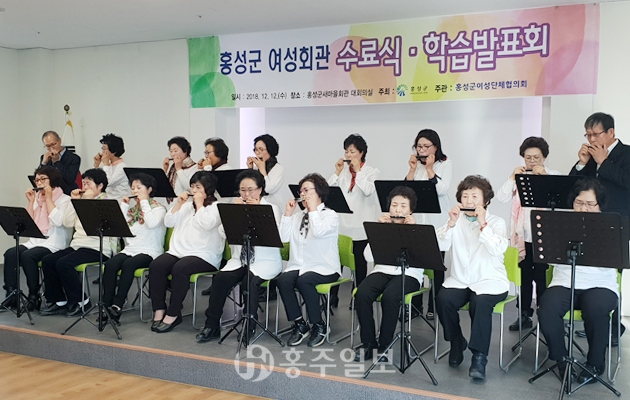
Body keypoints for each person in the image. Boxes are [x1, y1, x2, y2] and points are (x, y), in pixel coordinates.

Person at [538, 178, 619, 383]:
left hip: (600, 284)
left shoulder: (610, 227)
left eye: (590, 204)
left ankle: (595, 364)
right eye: (579, 203)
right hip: (564, 282)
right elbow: (548, 256)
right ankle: (561, 360)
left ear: (600, 205)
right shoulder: (560, 224)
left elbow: (617, 260)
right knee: (547, 308)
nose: (583, 208)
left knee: (597, 309)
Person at [435, 175, 509, 380]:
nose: (469, 200)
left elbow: (497, 249)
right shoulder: (455, 221)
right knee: (443, 299)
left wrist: (483, 224)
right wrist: (450, 223)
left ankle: (479, 356)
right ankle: (456, 341)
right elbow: (440, 246)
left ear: (486, 200)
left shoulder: (497, 222)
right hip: (460, 280)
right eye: (465, 196)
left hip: (490, 280)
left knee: (480, 302)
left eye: (475, 196)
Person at [196, 170, 282, 343]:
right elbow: (223, 233)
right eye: (243, 190)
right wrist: (233, 214)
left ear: (260, 190)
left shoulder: (271, 209)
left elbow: (275, 236)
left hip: (265, 262)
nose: (246, 194)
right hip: (240, 260)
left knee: (249, 281)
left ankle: (249, 326)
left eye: (251, 190)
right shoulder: (235, 206)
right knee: (220, 279)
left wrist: (256, 211)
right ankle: (212, 325)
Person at [569, 112, 630, 345]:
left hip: (616, 225)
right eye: (588, 134)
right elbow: (573, 187)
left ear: (611, 132)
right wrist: (582, 163)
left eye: (596, 134)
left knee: (611, 276)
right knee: (590, 273)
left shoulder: (626, 153)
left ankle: (614, 327)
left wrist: (604, 162)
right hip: (588, 224)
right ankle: (595, 322)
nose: (592, 139)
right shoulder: (591, 156)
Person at [496, 137, 560, 331]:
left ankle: (545, 315)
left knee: (542, 277)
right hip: (523, 237)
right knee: (524, 277)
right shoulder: (519, 177)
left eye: (536, 157)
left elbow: (561, 202)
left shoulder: (553, 175)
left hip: (544, 237)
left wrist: (545, 178)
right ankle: (523, 314)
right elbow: (501, 197)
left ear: (544, 157)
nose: (532, 161)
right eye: (528, 157)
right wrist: (511, 177)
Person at [149, 171, 225, 333]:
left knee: (180, 269)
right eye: (192, 187)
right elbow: (168, 222)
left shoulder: (216, 207)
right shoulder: (185, 206)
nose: (194, 190)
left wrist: (199, 205)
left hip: (204, 255)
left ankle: (173, 313)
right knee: (156, 265)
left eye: (198, 187)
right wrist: (178, 204)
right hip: (178, 251)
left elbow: (207, 224)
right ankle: (159, 309)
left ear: (208, 189)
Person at [354, 186, 423, 362]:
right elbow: (368, 257)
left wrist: (413, 232)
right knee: (362, 293)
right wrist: (378, 231)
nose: (397, 210)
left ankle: (385, 346)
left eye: (403, 206)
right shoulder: (382, 227)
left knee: (391, 296)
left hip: (409, 274)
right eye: (394, 205)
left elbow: (422, 259)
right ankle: (368, 343)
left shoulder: (418, 229)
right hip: (383, 270)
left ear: (410, 210)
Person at [277, 173, 341, 348]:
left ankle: (319, 325)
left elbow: (318, 232)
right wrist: (288, 214)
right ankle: (300, 323)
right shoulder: (298, 216)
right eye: (301, 191)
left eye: (306, 190)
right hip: (300, 265)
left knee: (304, 281)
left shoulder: (330, 215)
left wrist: (312, 210)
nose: (302, 194)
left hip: (325, 267)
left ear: (319, 192)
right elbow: (282, 238)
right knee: (283, 280)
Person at [39, 168, 111, 317]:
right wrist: (74, 202)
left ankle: (81, 301)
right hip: (78, 245)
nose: (85, 187)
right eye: (83, 183)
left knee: (64, 263)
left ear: (100, 186)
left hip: (97, 247)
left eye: (89, 184)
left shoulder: (107, 203)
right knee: (48, 260)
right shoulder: (81, 201)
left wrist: (87, 202)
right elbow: (67, 222)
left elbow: (95, 226)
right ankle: (59, 301)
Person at [2, 166, 72, 311]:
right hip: (36, 241)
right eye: (37, 180)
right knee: (10, 253)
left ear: (52, 179)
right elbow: (27, 223)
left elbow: (57, 222)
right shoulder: (38, 199)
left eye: (43, 179)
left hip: (54, 243)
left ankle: (34, 296)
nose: (39, 183)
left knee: (28, 256)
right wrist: (30, 201)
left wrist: (49, 198)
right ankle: (11, 294)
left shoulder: (65, 200)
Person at [101, 173, 166, 324]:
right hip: (131, 249)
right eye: (133, 188)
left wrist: (144, 202)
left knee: (128, 265)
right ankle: (106, 305)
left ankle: (117, 305)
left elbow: (151, 223)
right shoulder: (132, 211)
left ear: (149, 189)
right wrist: (124, 206)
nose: (135, 191)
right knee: (110, 265)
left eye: (139, 188)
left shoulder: (159, 209)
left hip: (150, 251)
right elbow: (119, 229)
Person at [327, 134, 380, 308]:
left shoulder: (372, 172)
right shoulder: (343, 172)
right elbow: (327, 192)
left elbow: (368, 191)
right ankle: (333, 296)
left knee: (359, 264)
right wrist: (336, 172)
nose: (348, 155)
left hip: (361, 227)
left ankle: (357, 296)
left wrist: (358, 172)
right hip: (343, 226)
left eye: (352, 151)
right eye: (346, 151)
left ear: (361, 153)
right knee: (337, 263)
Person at [405, 129, 452, 321]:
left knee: (436, 266)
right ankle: (416, 306)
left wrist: (430, 169)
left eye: (426, 146)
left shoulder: (445, 163)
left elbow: (441, 190)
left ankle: (434, 305)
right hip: (418, 220)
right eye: (419, 146)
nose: (422, 150)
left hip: (437, 222)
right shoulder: (417, 164)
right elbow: (406, 191)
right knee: (415, 265)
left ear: (435, 147)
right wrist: (412, 169)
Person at [247, 134, 285, 209]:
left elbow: (268, 189)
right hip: (256, 206)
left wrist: (262, 170)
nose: (257, 153)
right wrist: (250, 170)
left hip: (272, 208)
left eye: (261, 149)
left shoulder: (279, 168)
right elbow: (249, 188)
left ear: (270, 150)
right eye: (256, 149)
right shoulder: (256, 168)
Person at [38, 131, 81, 195]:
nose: (51, 148)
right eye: (48, 146)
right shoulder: (45, 157)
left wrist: (57, 162)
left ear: (60, 141)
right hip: (48, 194)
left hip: (67, 193)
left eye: (53, 144)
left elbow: (70, 179)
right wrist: (43, 163)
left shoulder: (73, 158)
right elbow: (38, 178)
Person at [93, 133, 130, 201]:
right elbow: (97, 181)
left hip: (118, 202)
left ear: (114, 151)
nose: (102, 152)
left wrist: (106, 164)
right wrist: (96, 165)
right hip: (106, 200)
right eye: (102, 149)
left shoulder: (122, 167)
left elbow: (108, 182)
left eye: (104, 149)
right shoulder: (108, 166)